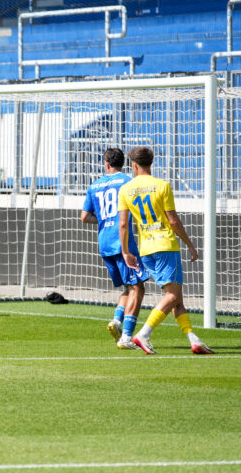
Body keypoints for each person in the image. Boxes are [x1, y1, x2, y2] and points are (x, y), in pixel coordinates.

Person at [118, 146, 213, 355]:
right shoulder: (162, 186)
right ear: (151, 163)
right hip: (165, 245)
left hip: (146, 249)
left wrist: (125, 252)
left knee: (177, 298)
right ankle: (143, 334)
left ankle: (193, 340)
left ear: (134, 165)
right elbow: (173, 220)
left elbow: (123, 224)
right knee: (171, 297)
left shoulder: (125, 189)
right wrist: (189, 243)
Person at [80, 148, 149, 350]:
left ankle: (117, 322)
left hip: (104, 243)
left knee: (128, 287)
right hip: (123, 241)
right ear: (123, 164)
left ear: (106, 164)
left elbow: (84, 217)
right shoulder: (128, 181)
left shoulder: (94, 185)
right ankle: (127, 337)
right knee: (138, 287)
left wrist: (104, 220)